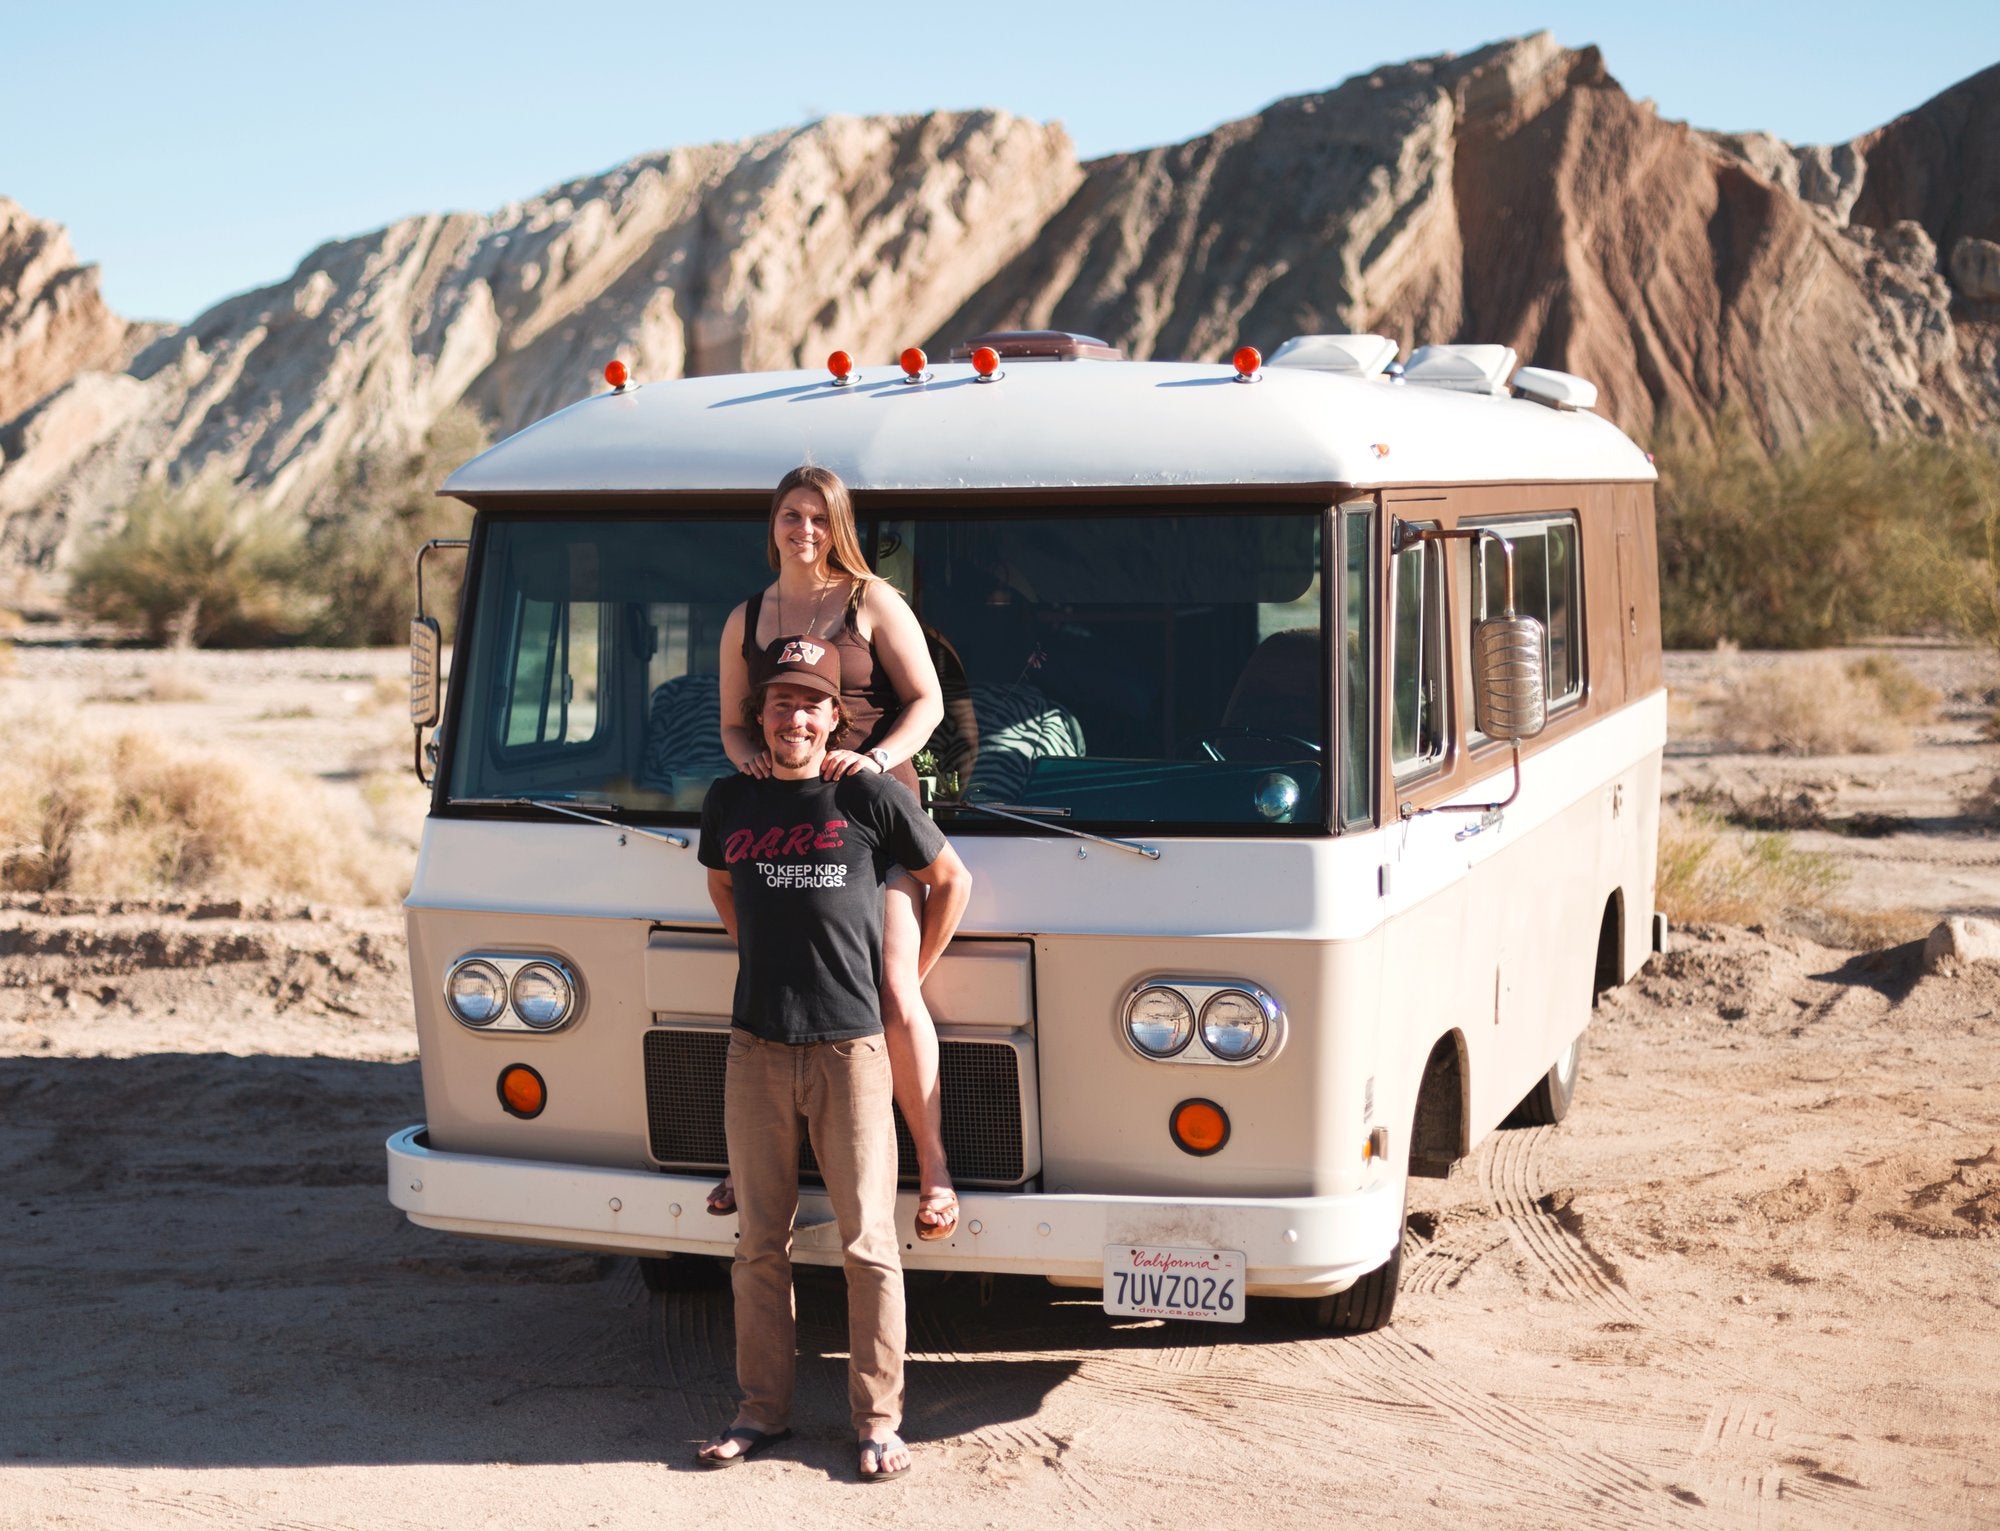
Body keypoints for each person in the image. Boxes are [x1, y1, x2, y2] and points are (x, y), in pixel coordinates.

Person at [694, 637, 971, 1480]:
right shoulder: (730, 799)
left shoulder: (868, 795)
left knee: (868, 1245)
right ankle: (760, 1412)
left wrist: (907, 979)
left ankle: (879, 1421)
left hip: (850, 1052)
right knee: (758, 1246)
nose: (796, 717)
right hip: (755, 1047)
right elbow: (721, 884)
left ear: (833, 716)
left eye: (811, 703)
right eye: (781, 702)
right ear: (761, 716)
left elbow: (951, 879)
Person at [713, 464, 960, 1240]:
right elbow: (732, 724)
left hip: (870, 820)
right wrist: (750, 763)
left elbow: (928, 700)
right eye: (792, 514)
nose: (805, 530)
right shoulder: (745, 617)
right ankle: (747, 1166)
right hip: (782, 824)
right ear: (773, 523)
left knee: (891, 988)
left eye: (820, 517)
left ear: (839, 527)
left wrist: (876, 760)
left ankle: (934, 1167)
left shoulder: (871, 601)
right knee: (766, 990)